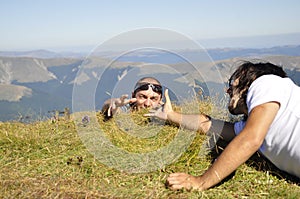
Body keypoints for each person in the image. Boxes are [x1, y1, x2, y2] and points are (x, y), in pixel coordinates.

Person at [146, 61, 300, 191]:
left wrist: (201, 182)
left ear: (248, 75)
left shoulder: (266, 82)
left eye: (232, 83)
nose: (228, 90)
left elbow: (250, 139)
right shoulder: (254, 124)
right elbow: (208, 125)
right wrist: (170, 116)